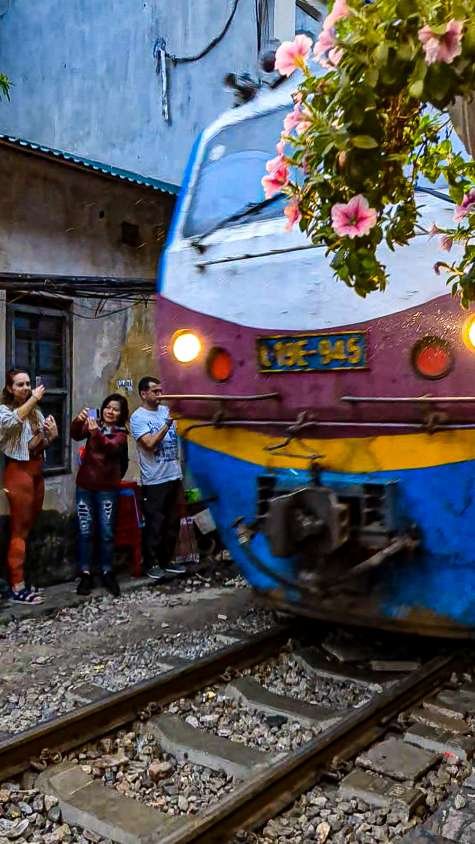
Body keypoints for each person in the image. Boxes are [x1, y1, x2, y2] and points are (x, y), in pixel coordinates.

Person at [0, 369, 58, 604]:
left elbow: (35, 446)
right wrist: (34, 399)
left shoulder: (35, 412)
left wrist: (50, 437)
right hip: (18, 471)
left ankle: (23, 579)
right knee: (19, 530)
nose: (25, 388)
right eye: (20, 384)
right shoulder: (5, 410)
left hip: (35, 470)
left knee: (29, 528)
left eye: (27, 384)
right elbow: (11, 424)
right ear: (10, 388)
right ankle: (17, 585)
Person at [71, 393, 129, 598]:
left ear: (121, 414)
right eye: (107, 407)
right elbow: (75, 435)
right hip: (85, 486)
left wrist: (95, 431)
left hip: (107, 490)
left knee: (106, 532)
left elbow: (109, 447)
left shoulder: (121, 434)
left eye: (115, 409)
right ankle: (85, 573)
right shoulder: (93, 425)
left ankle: (107, 571)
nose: (110, 411)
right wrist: (78, 420)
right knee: (85, 531)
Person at [130, 376, 186, 580]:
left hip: (173, 475)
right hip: (154, 480)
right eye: (155, 391)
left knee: (172, 521)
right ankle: (151, 563)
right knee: (155, 523)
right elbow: (149, 444)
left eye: (161, 391)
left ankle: (167, 560)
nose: (160, 395)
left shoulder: (166, 411)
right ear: (143, 394)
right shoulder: (138, 417)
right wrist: (167, 424)